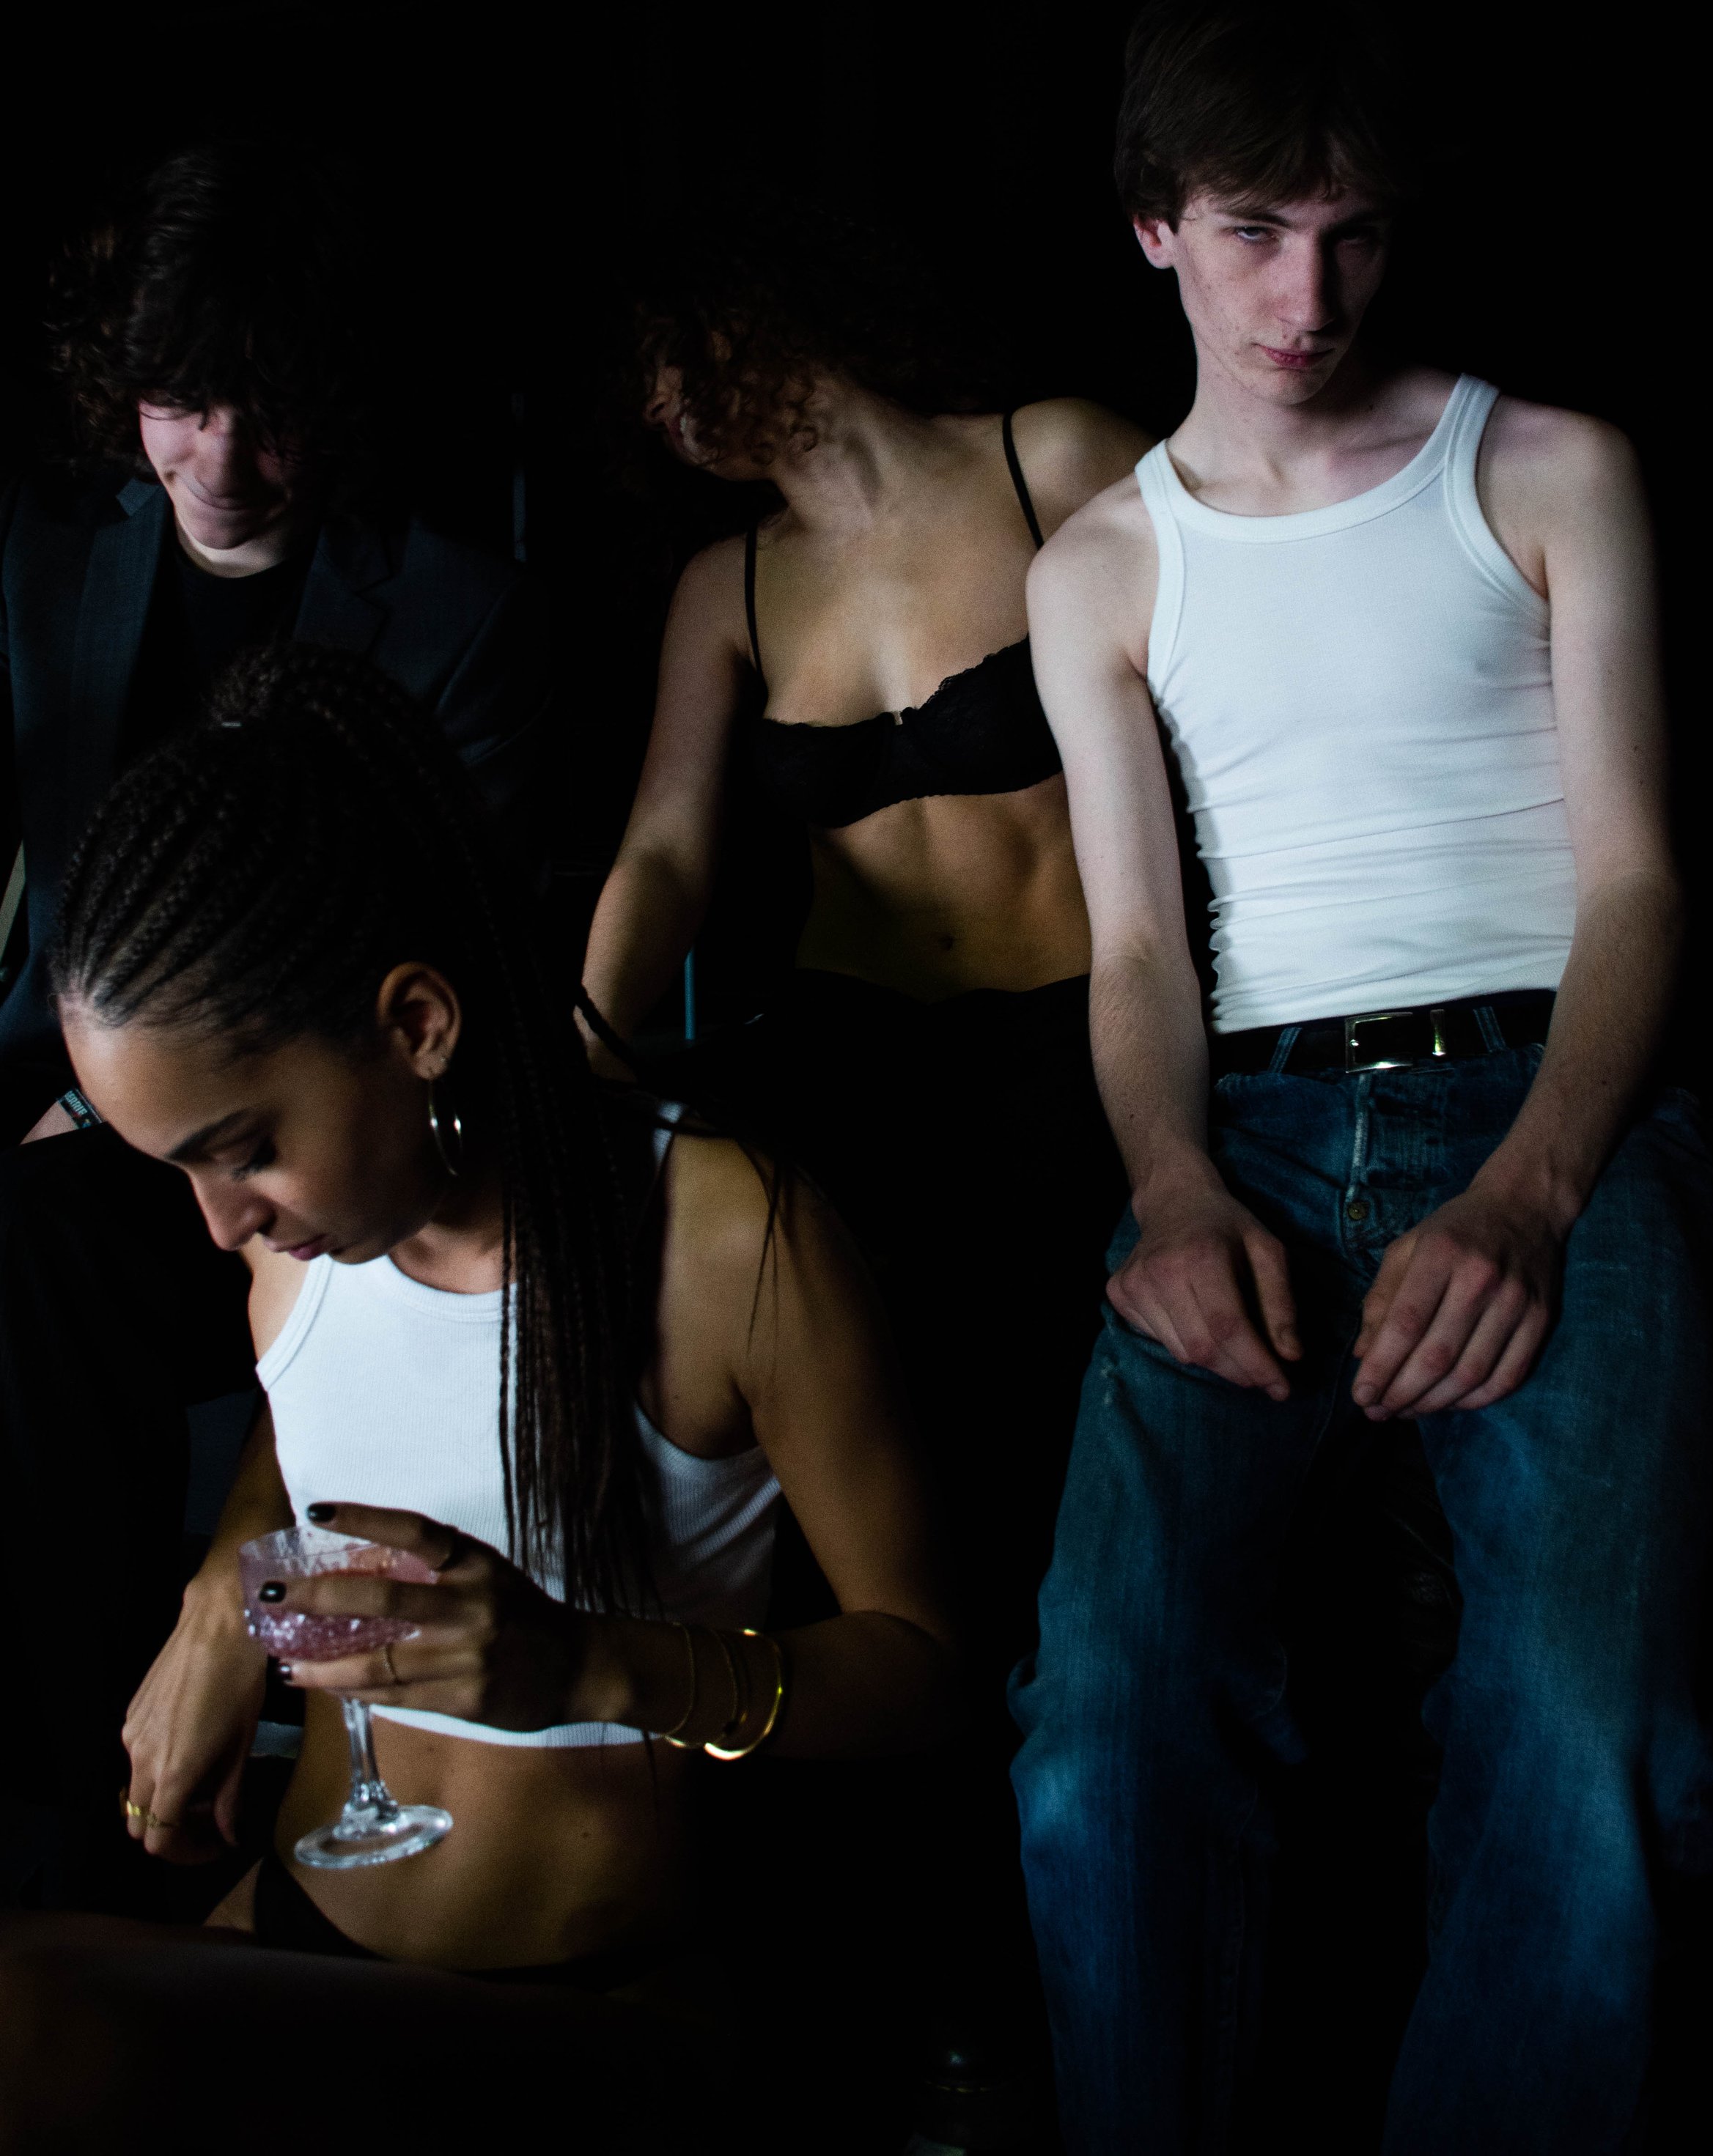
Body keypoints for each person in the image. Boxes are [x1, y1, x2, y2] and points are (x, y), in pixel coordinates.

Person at [1008, 0, 1713, 2154]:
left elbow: (1636, 889)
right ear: (1152, 225)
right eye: (1248, 227)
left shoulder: (1545, 463)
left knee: (1599, 1728)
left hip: (1558, 1108)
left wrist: (1519, 1194)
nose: (1302, 290)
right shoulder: (1100, 563)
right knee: (1099, 1723)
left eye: (1348, 231)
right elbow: (1132, 943)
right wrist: (1174, 1178)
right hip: (1244, 1121)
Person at [0, 643, 957, 2155]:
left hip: (593, 2013)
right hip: (301, 1936)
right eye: (177, 1169)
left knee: (1, 2053)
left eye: (242, 1148)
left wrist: (592, 1670)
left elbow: (927, 1675)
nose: (220, 1221)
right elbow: (334, 1431)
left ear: (415, 1023)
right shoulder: (305, 1249)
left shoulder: (720, 1239)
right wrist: (228, 1598)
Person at [579, 199, 1145, 2108]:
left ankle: (1078, 1996)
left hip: (1073, 1054)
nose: (653, 412)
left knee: (1064, 1518)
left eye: (662, 363)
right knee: (881, 1559)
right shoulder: (726, 585)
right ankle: (926, 2014)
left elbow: (1228, 734)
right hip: (845, 1086)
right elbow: (662, 846)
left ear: (748, 310)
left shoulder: (1048, 453)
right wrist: (582, 1049)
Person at [0, 141, 553, 1905]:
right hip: (80, 1101)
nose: (216, 459)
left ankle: (64, 1831)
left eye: (264, 413)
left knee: (8, 1246)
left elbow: (479, 980)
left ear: (333, 404)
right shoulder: (60, 564)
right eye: (176, 401)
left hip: (341, 1143)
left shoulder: (456, 618)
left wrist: (117, 1097)